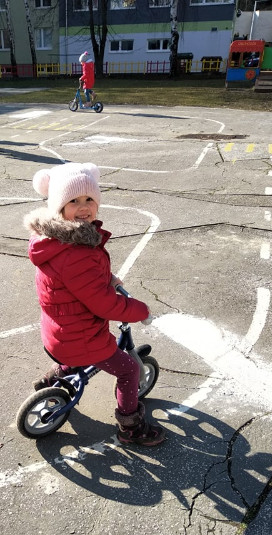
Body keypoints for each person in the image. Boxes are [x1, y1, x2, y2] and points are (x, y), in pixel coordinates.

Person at [24, 162, 165, 446]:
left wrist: (107, 278)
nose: (84, 207)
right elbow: (103, 304)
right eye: (73, 201)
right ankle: (131, 427)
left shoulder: (54, 242)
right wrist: (139, 310)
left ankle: (53, 379)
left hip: (59, 332)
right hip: (80, 339)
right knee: (128, 370)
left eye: (89, 199)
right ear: (58, 207)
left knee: (78, 350)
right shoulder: (78, 253)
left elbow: (76, 283)